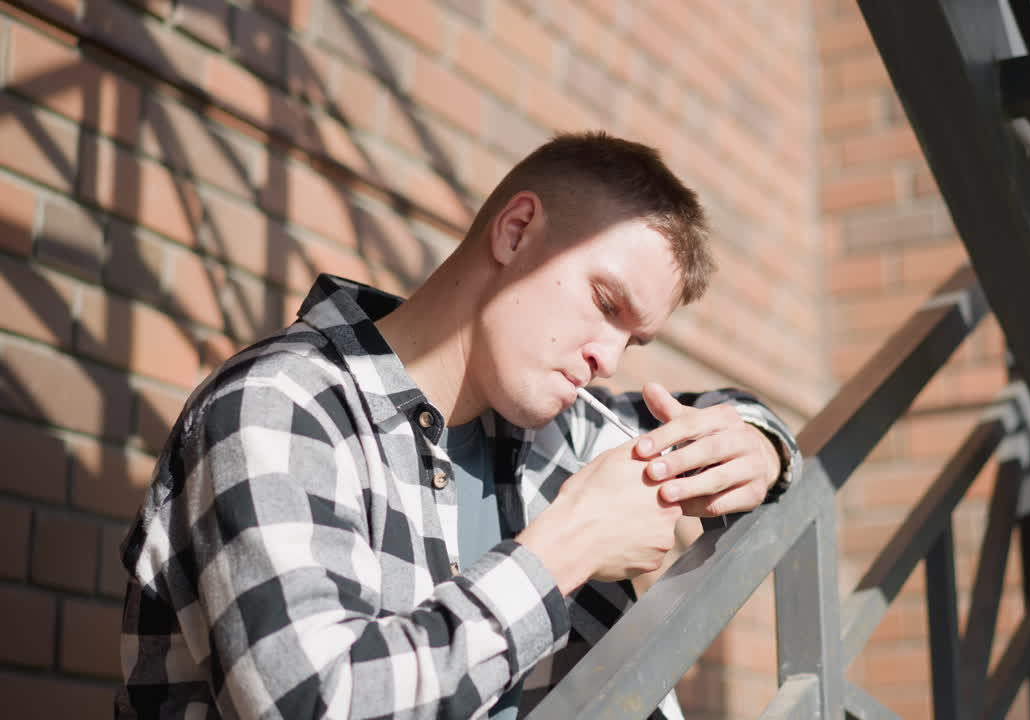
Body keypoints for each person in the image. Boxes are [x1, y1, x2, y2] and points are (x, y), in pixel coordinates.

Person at [116, 132, 800, 720]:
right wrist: (567, 547)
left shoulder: (553, 430)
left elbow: (728, 412)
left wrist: (759, 446)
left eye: (634, 339)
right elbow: (312, 702)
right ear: (515, 231)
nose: (607, 358)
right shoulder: (280, 405)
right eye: (604, 302)